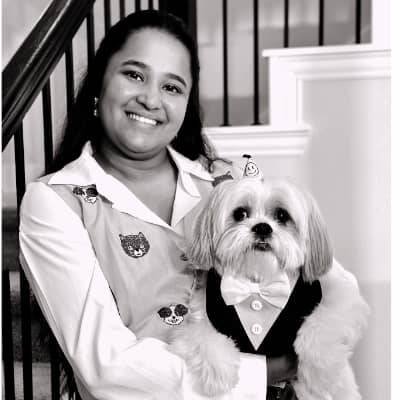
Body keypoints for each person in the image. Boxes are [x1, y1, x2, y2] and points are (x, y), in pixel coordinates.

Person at [18, 9, 351, 400]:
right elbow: (105, 366)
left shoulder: (226, 181)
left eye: (172, 87)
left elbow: (333, 282)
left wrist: (315, 347)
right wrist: (272, 370)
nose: (150, 99)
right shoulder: (57, 201)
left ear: (186, 104)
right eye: (134, 75)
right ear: (99, 84)